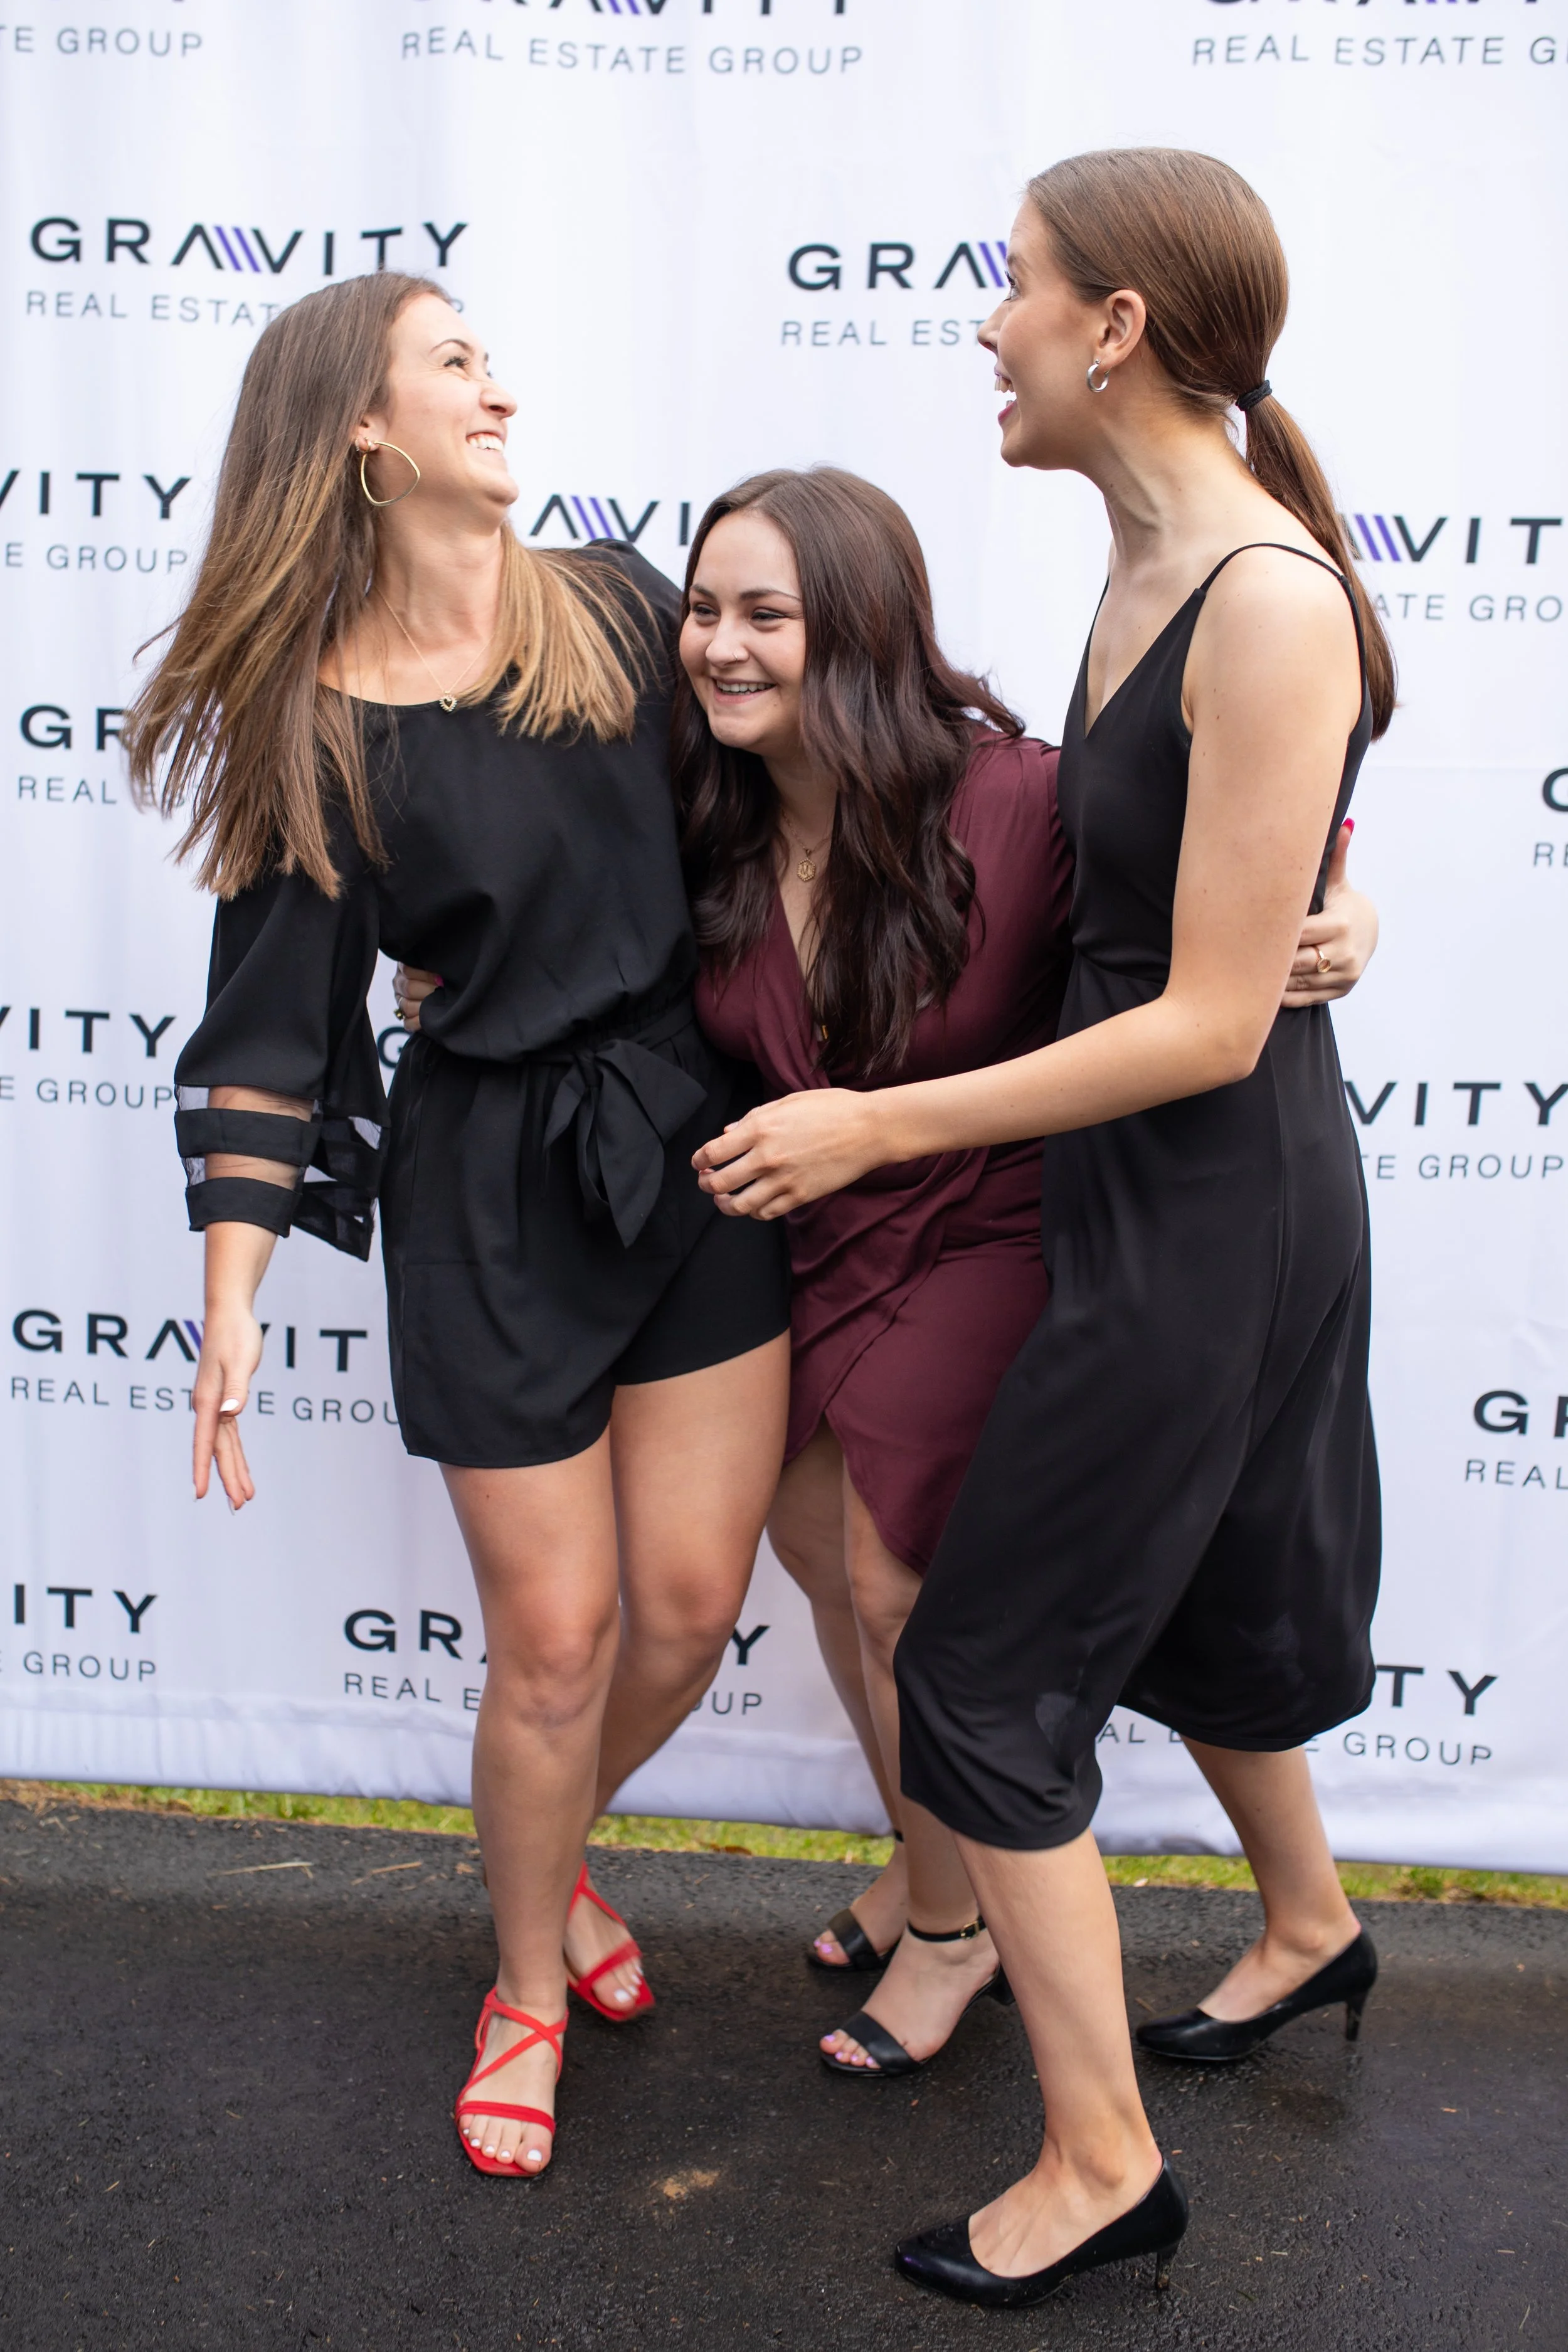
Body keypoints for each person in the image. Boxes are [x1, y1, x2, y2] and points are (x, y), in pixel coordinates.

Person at [692, 149, 1388, 2307]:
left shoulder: (1261, 594)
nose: (981, 327)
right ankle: (1301, 1931)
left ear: (1114, 330)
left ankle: (1099, 2156)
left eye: (1012, 292)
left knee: (986, 1675)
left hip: (1211, 1205)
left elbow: (1193, 1021)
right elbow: (1216, 896)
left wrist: (868, 1127)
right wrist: (1324, 912)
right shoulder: (1142, 562)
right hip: (1175, 1194)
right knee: (1220, 1590)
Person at [124, 273, 790, 2181]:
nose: (499, 386)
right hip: (485, 1186)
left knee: (678, 1609)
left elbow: (825, 788)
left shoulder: (611, 599)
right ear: (359, 425)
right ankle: (521, 1975)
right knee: (557, 1640)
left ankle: (547, 1852)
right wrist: (231, 1291)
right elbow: (268, 1030)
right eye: (454, 364)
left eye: (492, 359)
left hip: (687, 1139)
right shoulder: (309, 720)